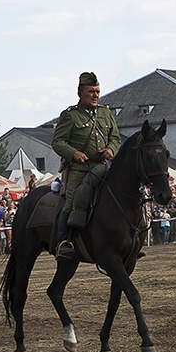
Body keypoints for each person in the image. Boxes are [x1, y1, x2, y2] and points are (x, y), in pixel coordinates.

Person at [51, 72, 121, 260]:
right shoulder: (70, 116)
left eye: (97, 91)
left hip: (105, 167)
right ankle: (64, 242)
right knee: (73, 200)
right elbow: (57, 142)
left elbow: (115, 138)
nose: (96, 95)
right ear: (80, 92)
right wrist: (73, 153)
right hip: (80, 170)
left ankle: (127, 241)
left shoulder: (106, 114)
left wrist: (111, 150)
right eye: (91, 91)